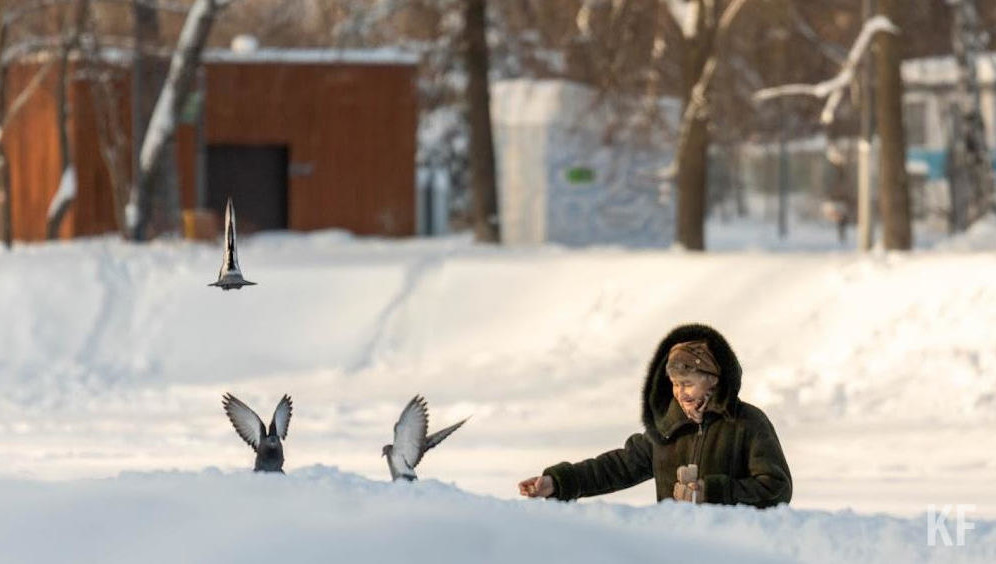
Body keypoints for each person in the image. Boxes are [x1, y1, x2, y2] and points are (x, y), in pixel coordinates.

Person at [518, 323, 791, 507]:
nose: (680, 393)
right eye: (675, 384)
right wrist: (559, 482)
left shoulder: (747, 423)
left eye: (688, 383)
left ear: (713, 380)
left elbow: (776, 489)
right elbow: (617, 467)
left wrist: (712, 492)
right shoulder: (667, 429)